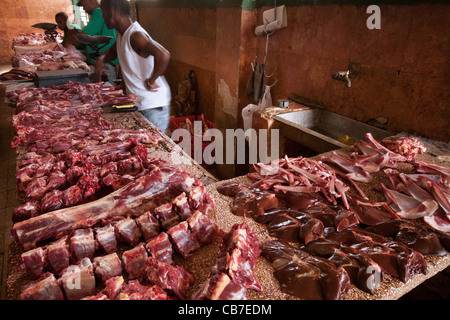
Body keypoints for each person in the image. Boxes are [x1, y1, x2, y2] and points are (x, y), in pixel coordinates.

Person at [95, 0, 171, 133]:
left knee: (153, 146)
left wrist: (151, 80)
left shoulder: (135, 35)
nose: (102, 17)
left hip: (152, 106)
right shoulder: (121, 35)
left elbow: (163, 55)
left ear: (112, 12)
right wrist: (101, 60)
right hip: (142, 103)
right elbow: (112, 53)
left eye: (103, 12)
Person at [77, 0, 119, 83]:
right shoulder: (101, 12)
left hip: (105, 63)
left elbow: (84, 35)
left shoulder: (98, 12)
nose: (84, 9)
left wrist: (68, 44)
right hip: (106, 60)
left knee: (107, 89)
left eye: (84, 5)